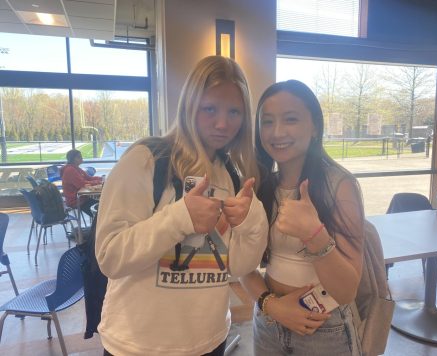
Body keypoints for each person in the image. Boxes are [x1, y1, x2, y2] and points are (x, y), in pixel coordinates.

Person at [95, 56, 268, 356]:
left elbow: (238, 267)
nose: (223, 123)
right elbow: (110, 257)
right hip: (138, 346)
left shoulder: (230, 174)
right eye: (209, 108)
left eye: (234, 112)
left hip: (210, 340)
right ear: (189, 105)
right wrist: (180, 218)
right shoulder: (146, 159)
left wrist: (253, 223)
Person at [240, 80, 365, 355]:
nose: (277, 132)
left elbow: (347, 291)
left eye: (291, 119)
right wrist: (271, 305)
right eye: (267, 121)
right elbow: (240, 264)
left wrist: (314, 235)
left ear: (315, 127)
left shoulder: (339, 185)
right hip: (268, 320)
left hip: (323, 327)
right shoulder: (261, 185)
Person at [60, 149, 102, 217]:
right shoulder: (70, 170)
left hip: (83, 198)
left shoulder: (76, 168)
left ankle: (99, 224)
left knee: (103, 205)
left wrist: (101, 178)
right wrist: (99, 182)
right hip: (76, 201)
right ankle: (98, 224)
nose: (81, 158)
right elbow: (81, 184)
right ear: (73, 159)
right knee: (101, 211)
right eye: (79, 157)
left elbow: (89, 178)